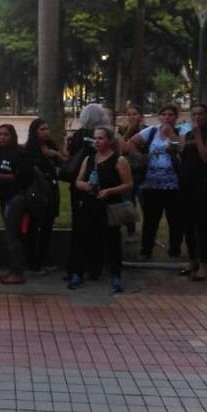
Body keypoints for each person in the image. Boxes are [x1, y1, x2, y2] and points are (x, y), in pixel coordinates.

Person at [70, 125, 133, 293]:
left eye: (100, 138)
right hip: (90, 204)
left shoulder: (118, 160)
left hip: (110, 206)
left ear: (110, 141)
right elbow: (78, 181)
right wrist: (86, 186)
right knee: (83, 238)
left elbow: (128, 184)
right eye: (95, 138)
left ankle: (116, 276)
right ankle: (78, 273)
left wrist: (110, 191)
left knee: (112, 241)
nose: (96, 142)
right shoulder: (89, 159)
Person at [127, 104, 184, 260]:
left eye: (170, 115)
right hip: (152, 183)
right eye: (164, 114)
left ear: (176, 117)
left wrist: (171, 135)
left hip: (174, 184)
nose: (167, 118)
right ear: (159, 117)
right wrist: (140, 159)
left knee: (175, 219)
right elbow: (131, 142)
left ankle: (174, 250)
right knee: (151, 219)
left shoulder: (182, 132)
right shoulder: (151, 132)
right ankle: (146, 250)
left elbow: (183, 149)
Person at [65, 104, 110, 280]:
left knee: (79, 227)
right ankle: (95, 268)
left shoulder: (80, 135)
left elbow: (71, 155)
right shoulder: (104, 135)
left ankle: (76, 267)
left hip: (79, 185)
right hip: (99, 184)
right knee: (97, 228)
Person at [177, 103, 207, 282]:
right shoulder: (187, 133)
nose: (197, 117)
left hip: (201, 182)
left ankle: (204, 263)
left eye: (200, 114)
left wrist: (200, 136)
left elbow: (206, 157)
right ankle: (192, 259)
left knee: (202, 224)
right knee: (186, 222)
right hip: (185, 181)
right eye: (194, 114)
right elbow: (183, 156)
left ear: (206, 115)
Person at [0, 124, 33, 284]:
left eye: (5, 134)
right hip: (4, 198)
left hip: (16, 198)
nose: (2, 137)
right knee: (10, 235)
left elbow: (22, 176)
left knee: (12, 235)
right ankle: (12, 269)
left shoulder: (20, 154)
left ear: (13, 136)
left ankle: (18, 272)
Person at [24, 118, 66, 273]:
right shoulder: (30, 149)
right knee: (33, 227)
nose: (45, 132)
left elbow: (63, 165)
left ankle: (44, 258)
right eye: (42, 129)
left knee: (47, 227)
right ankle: (32, 261)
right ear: (35, 131)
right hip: (36, 192)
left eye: (47, 128)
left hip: (51, 190)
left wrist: (55, 154)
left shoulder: (51, 146)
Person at [119, 105, 147, 239]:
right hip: (128, 172)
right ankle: (131, 232)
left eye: (134, 114)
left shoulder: (147, 131)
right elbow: (122, 148)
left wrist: (140, 128)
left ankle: (148, 234)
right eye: (129, 115)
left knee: (146, 204)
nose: (131, 117)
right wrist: (129, 130)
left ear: (141, 116)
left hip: (143, 173)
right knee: (129, 204)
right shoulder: (123, 131)